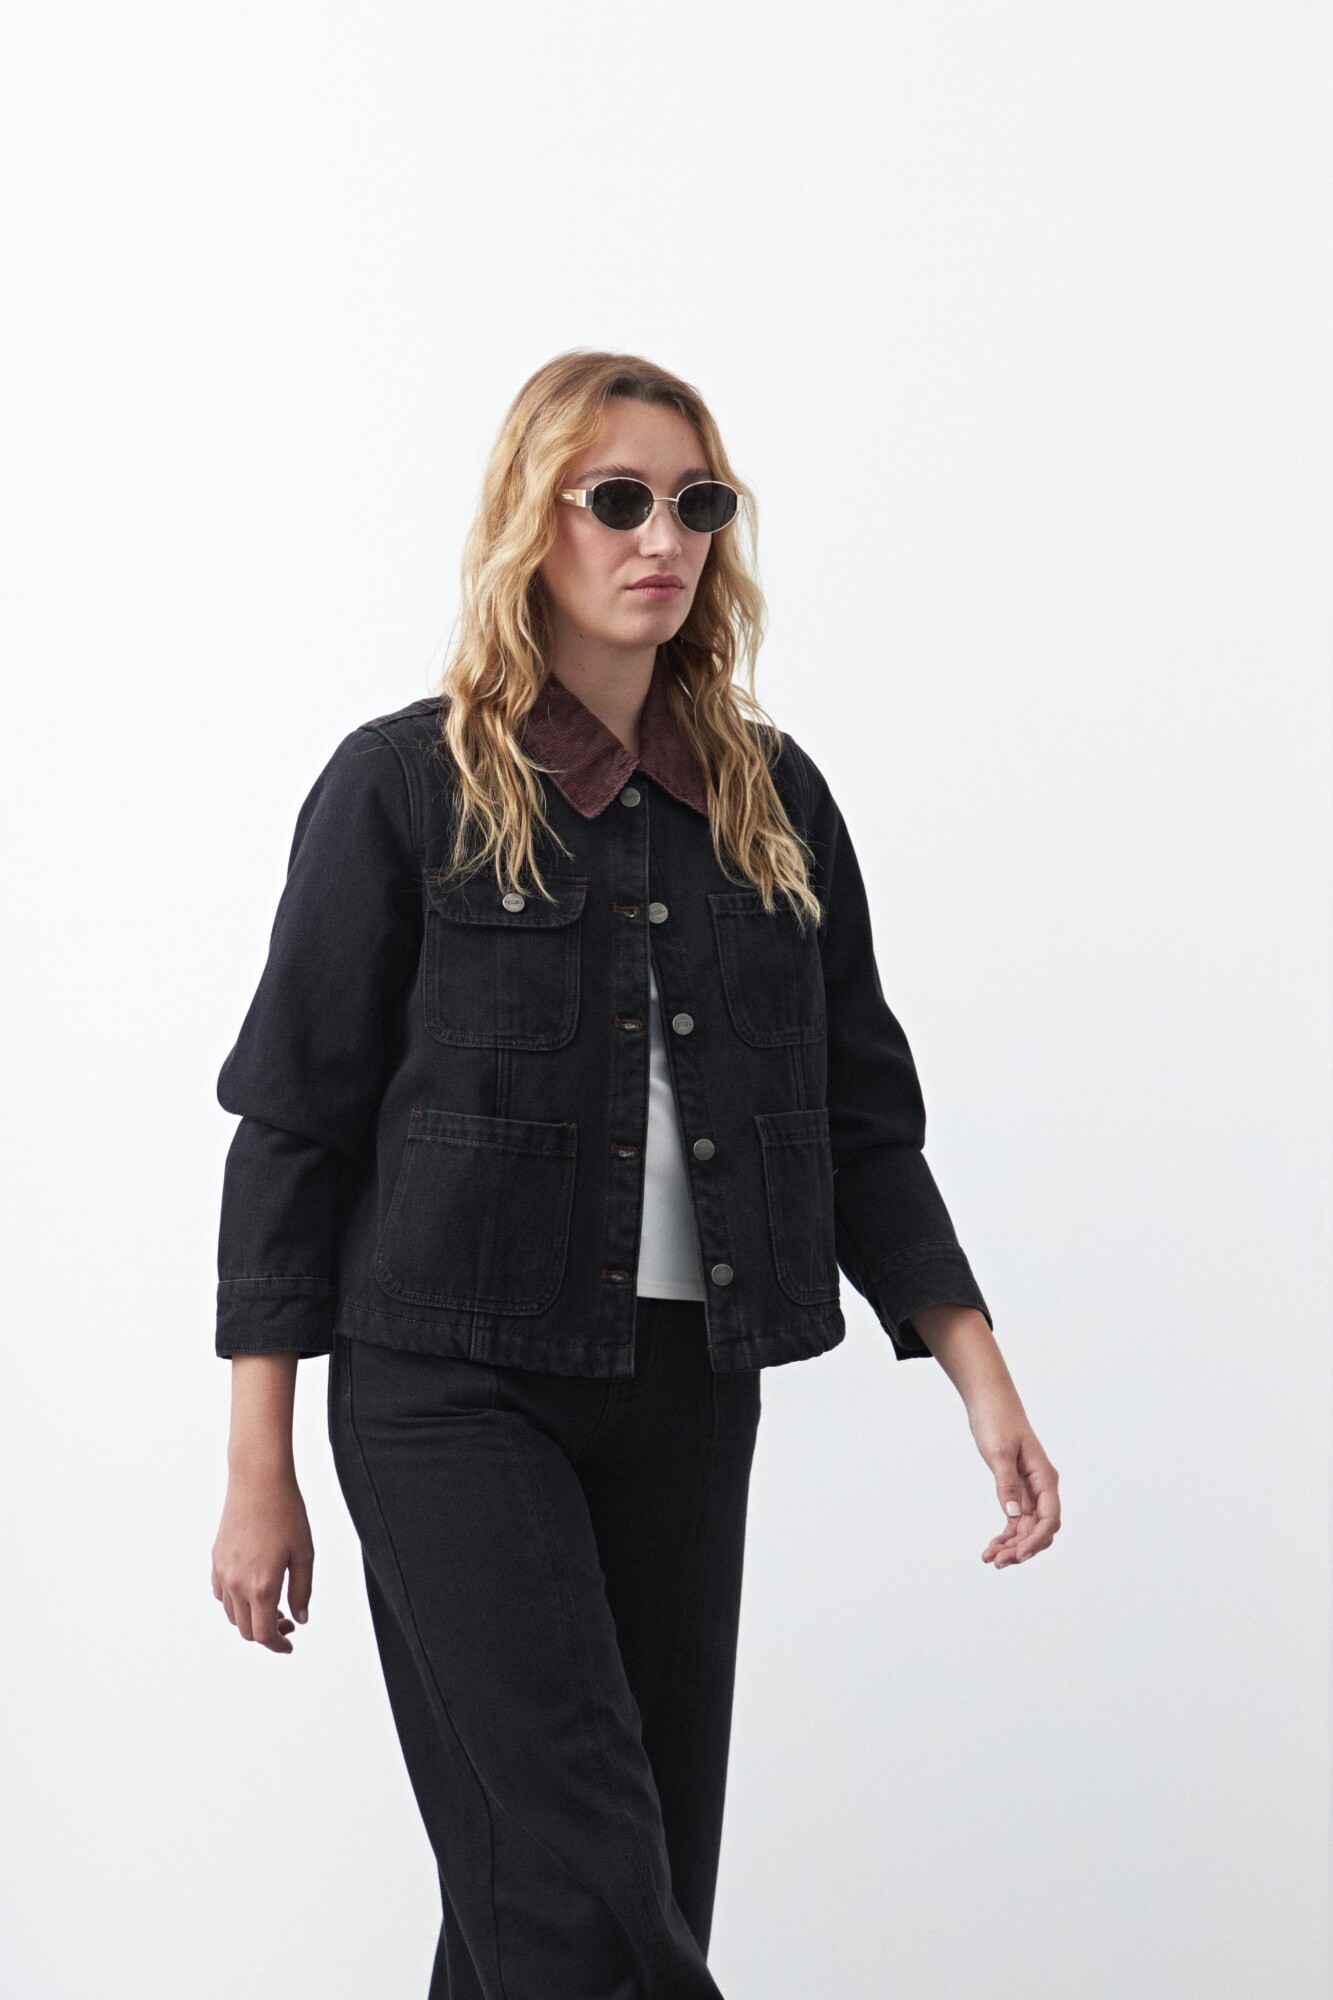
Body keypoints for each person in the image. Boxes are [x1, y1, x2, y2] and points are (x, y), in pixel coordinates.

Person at [209, 348, 1061, 1999]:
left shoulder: (772, 800)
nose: (659, 537)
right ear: (532, 524)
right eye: (615, 500)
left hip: (684, 1392)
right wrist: (261, 1466)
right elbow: (293, 1126)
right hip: (449, 1390)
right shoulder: (406, 786)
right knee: (587, 1894)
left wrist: (979, 1374)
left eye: (694, 502)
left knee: (602, 1884)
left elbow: (860, 1116)